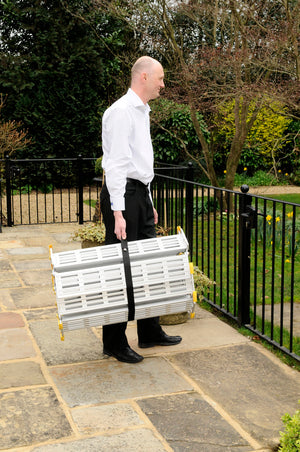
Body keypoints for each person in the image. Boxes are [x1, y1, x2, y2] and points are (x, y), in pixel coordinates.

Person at [100, 56, 182, 364]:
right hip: (124, 198)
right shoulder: (121, 112)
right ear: (144, 77)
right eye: (160, 78)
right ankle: (114, 341)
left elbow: (139, 162)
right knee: (120, 272)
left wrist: (149, 200)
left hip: (140, 196)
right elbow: (117, 164)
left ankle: (149, 331)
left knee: (149, 266)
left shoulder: (141, 111)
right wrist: (119, 212)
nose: (163, 84)